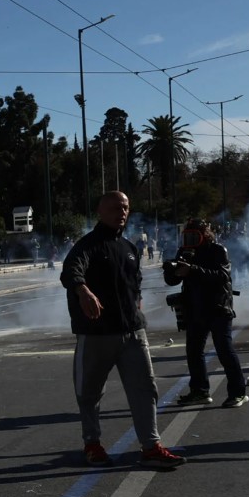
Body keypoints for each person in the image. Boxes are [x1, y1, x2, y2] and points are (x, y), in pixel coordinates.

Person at [60, 191, 182, 468]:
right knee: (89, 393)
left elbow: (134, 285)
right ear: (100, 212)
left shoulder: (130, 248)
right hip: (97, 335)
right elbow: (71, 270)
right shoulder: (87, 245)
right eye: (115, 207)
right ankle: (93, 445)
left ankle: (151, 447)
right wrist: (83, 291)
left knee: (145, 389)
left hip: (133, 333)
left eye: (125, 207)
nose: (122, 212)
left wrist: (136, 309)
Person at [164, 218, 247, 408]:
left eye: (195, 235)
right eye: (188, 235)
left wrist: (192, 270)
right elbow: (172, 281)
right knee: (194, 352)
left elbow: (222, 275)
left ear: (205, 235)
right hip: (194, 309)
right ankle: (199, 391)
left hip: (218, 308)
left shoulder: (217, 250)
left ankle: (238, 392)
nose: (190, 239)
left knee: (224, 351)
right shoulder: (184, 252)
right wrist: (173, 271)